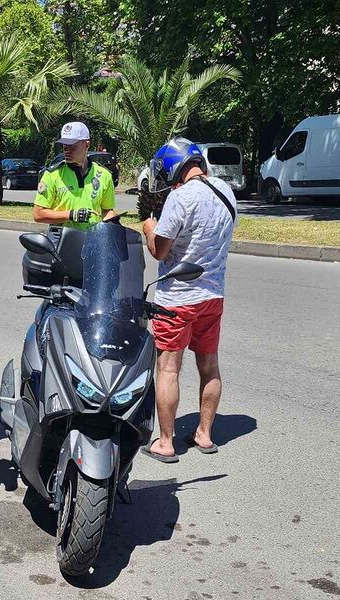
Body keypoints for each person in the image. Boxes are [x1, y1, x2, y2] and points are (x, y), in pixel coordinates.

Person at [140, 138, 237, 463]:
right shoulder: (226, 191)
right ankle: (204, 434)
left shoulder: (180, 198)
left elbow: (160, 251)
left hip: (178, 299)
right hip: (213, 296)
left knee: (168, 367)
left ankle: (166, 442)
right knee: (209, 365)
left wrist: (149, 230)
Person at [33, 121, 117, 230]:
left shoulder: (104, 175)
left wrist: (113, 225)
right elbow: (38, 214)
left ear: (87, 144)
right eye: (64, 146)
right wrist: (70, 215)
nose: (67, 150)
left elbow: (107, 210)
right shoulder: (52, 175)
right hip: (61, 242)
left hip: (92, 241)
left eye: (72, 146)